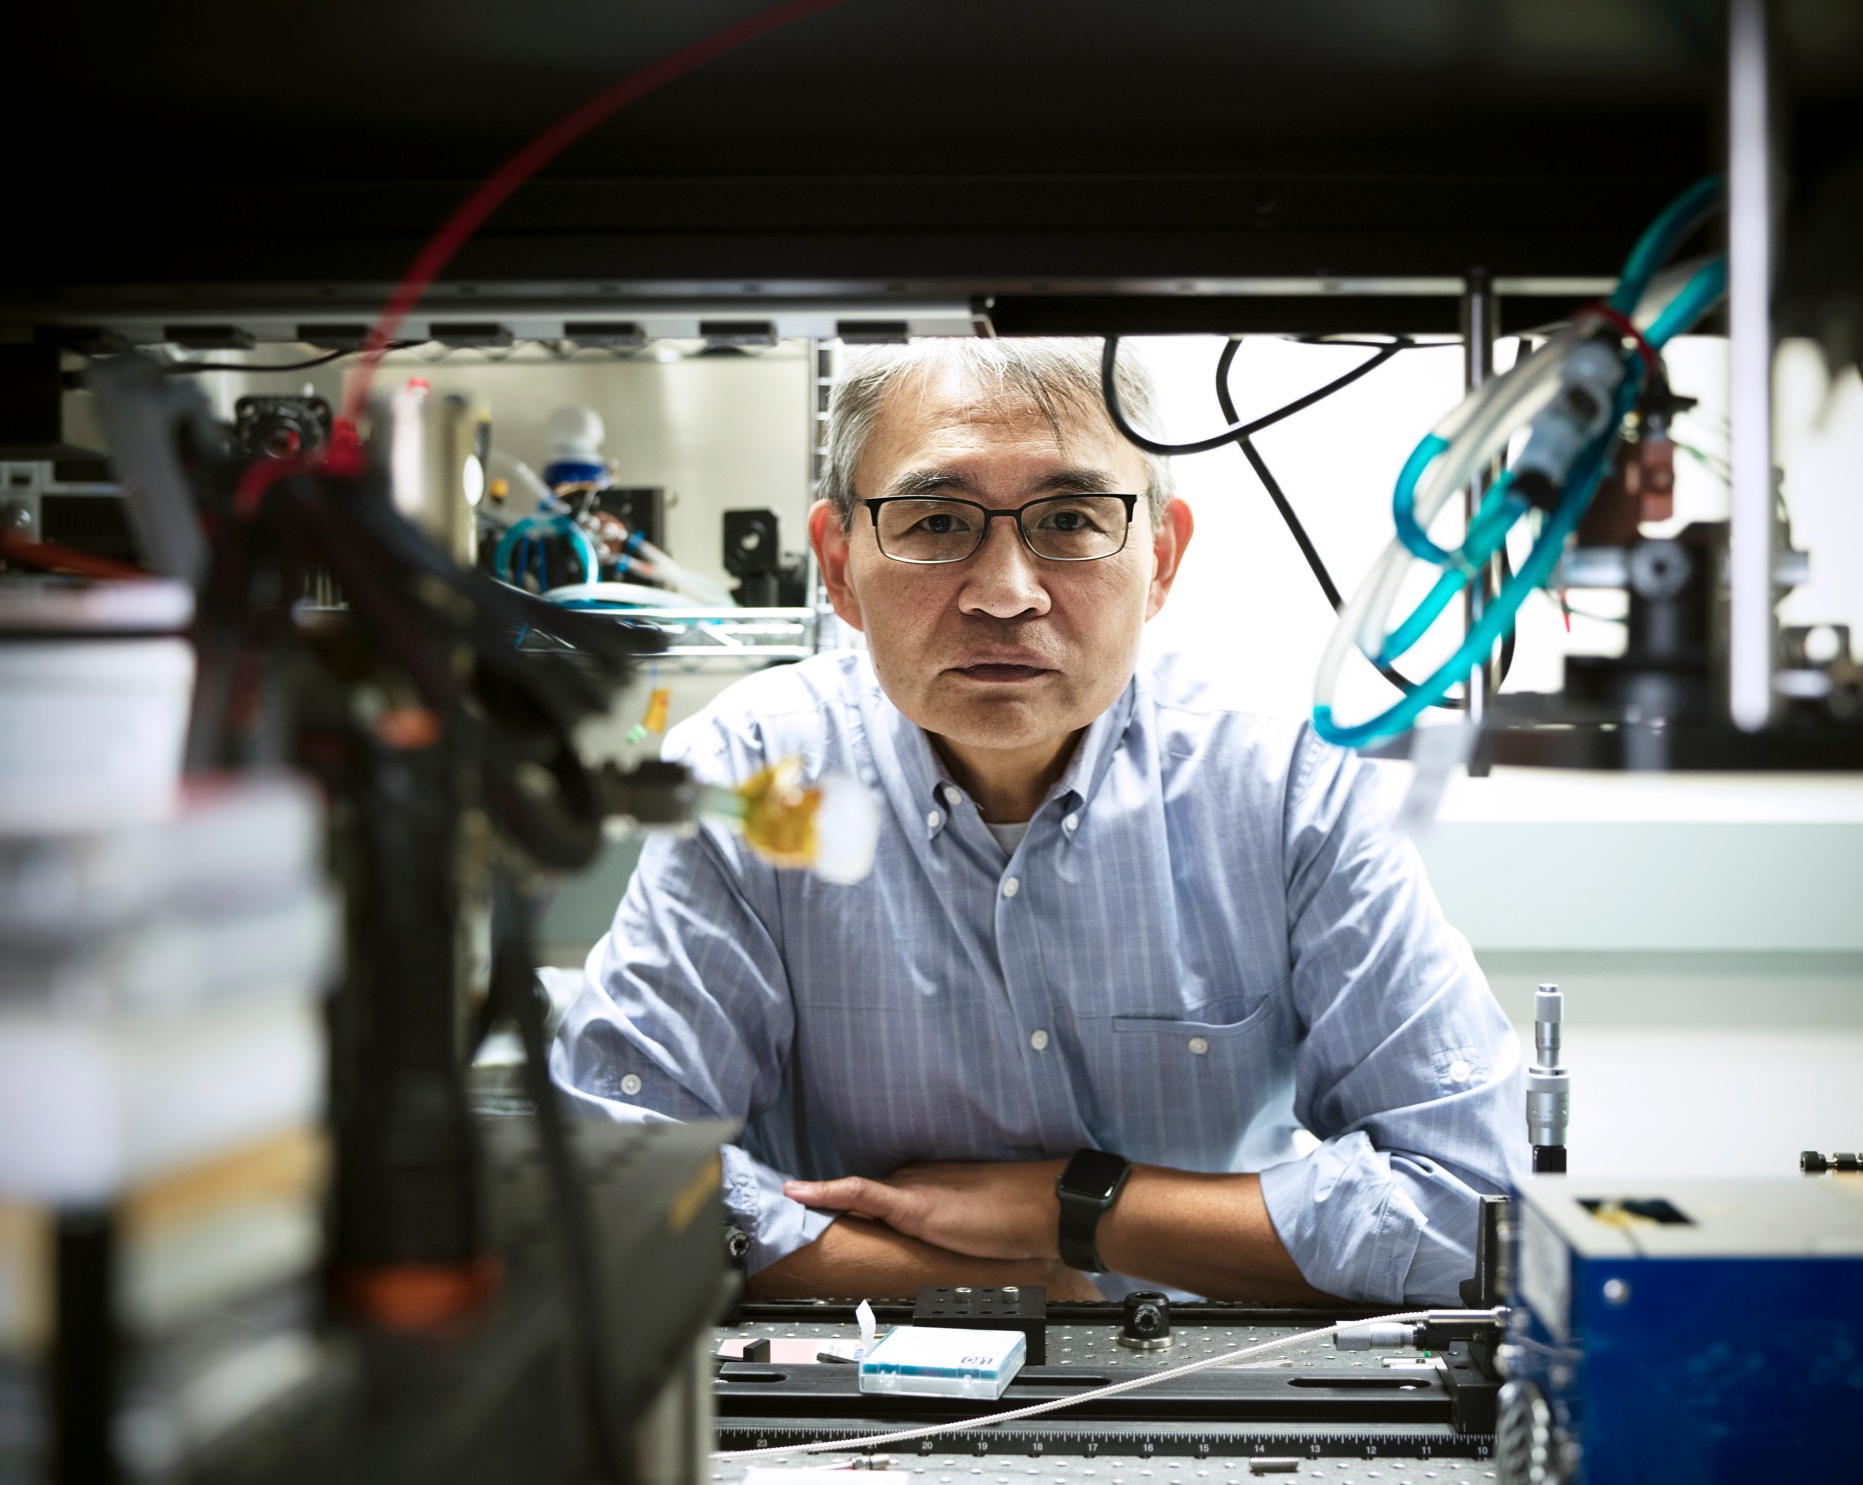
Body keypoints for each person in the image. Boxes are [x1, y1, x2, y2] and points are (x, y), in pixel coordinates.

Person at [551, 338, 1523, 1303]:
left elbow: (1476, 1208)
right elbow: (611, 1182)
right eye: (935, 520)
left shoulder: (1282, 783)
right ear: (839, 566)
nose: (1004, 593)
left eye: (1068, 518)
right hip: (851, 1394)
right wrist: (1031, 1288)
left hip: (1203, 1387)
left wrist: (1077, 1207)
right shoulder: (756, 773)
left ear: (1161, 558)